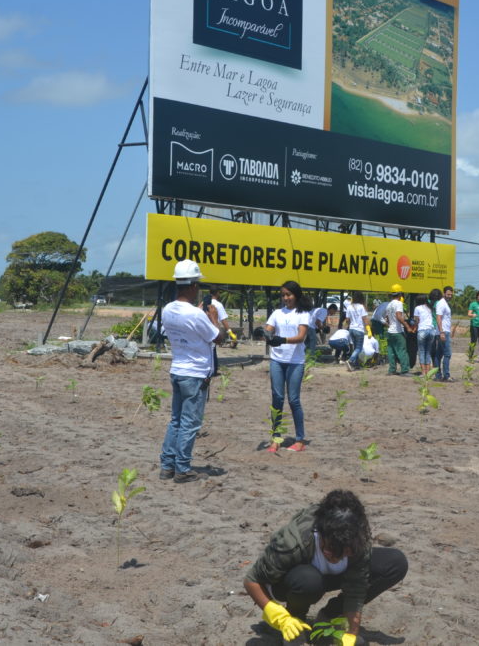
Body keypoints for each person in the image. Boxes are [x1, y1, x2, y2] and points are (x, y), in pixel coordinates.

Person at [243, 490, 409, 644]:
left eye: (343, 553)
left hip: (327, 578)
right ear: (320, 533)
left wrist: (351, 633)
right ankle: (296, 621)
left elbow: (356, 589)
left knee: (395, 562)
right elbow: (252, 581)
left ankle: (329, 615)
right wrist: (278, 616)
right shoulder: (295, 541)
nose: (335, 558)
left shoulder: (357, 541)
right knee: (308, 580)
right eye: (329, 550)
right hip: (294, 581)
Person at [158, 260, 227, 484]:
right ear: (193, 286)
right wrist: (214, 319)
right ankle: (183, 468)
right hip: (196, 373)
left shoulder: (167, 310)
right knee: (190, 423)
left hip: (177, 369)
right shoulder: (196, 315)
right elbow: (219, 337)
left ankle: (167, 465)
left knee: (176, 420)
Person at [264, 281, 312, 453]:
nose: (286, 298)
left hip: (295, 362)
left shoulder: (303, 314)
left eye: (289, 295)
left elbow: (300, 337)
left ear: (296, 295)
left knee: (293, 400)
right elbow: (269, 330)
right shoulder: (277, 313)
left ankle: (299, 439)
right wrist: (264, 334)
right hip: (277, 360)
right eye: (283, 295)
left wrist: (282, 340)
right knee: (277, 399)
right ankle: (275, 439)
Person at [385, 285, 410, 375]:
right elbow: (398, 316)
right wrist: (407, 326)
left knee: (391, 351)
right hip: (397, 331)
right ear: (400, 294)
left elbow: (387, 319)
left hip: (390, 331)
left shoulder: (389, 305)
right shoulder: (398, 303)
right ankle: (405, 370)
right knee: (402, 350)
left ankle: (392, 370)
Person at [345, 291, 372, 371]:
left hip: (351, 329)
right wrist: (369, 330)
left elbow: (347, 320)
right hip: (359, 329)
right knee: (359, 348)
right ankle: (350, 360)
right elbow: (365, 319)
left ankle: (356, 365)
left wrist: (350, 323)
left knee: (355, 347)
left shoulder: (349, 307)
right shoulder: (361, 307)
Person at [414, 294, 437, 377]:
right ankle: (428, 372)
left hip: (422, 330)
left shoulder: (417, 308)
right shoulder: (430, 308)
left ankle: (423, 372)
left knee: (421, 351)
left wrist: (413, 327)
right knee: (428, 352)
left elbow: (416, 321)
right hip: (431, 331)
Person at [436, 285, 454, 381]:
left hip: (444, 331)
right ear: (444, 294)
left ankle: (438, 375)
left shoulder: (445, 303)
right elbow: (438, 317)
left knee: (439, 354)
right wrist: (442, 332)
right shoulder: (441, 303)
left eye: (451, 294)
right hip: (443, 332)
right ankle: (446, 375)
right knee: (447, 354)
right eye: (448, 294)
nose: (449, 296)